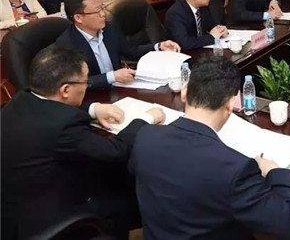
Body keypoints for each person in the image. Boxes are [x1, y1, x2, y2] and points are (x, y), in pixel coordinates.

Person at [130, 55, 290, 240]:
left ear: (185, 91)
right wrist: (275, 171)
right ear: (230, 104)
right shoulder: (235, 170)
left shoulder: (145, 136)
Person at [1, 46, 166, 239]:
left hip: (14, 203)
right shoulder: (64, 126)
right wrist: (145, 118)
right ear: (65, 89)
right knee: (128, 186)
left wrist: (93, 109)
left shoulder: (20, 99)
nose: (87, 86)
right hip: (47, 216)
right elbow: (116, 151)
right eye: (85, 81)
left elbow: (49, 110)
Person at [56, 0, 181, 89]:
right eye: (97, 11)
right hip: (92, 98)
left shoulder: (109, 28)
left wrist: (158, 46)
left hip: (119, 89)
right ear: (78, 18)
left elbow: (130, 52)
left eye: (102, 8)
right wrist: (112, 77)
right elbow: (75, 83)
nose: (103, 14)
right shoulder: (66, 44)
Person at [164, 0, 228, 51]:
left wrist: (220, 30)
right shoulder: (175, 14)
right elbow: (185, 43)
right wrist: (211, 37)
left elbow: (211, 26)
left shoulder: (202, 7)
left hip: (201, 51)